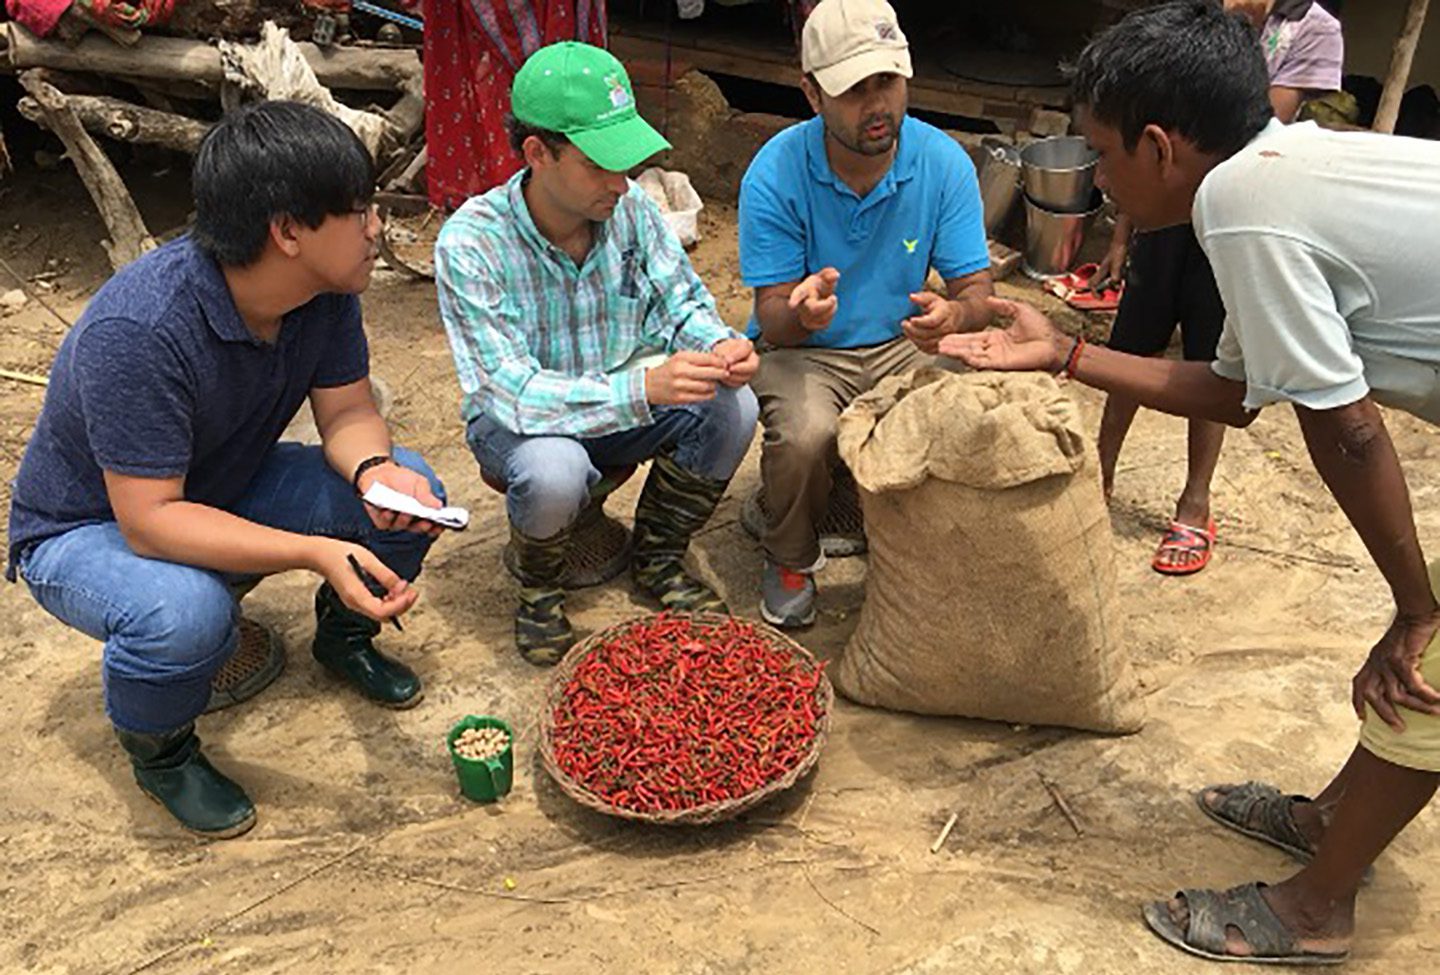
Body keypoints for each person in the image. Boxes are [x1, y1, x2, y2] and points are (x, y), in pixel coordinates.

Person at [942, 1, 1440, 963]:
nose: (1096, 176)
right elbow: (1235, 392)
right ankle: (1331, 818)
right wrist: (1063, 355)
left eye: (1101, 152)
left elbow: (1350, 432)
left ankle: (1314, 909)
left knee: (1428, 673)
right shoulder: (1274, 171)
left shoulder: (1246, 209)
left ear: (1161, 148)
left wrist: (1414, 606)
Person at [6, 101, 450, 839]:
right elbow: (150, 521)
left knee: (416, 489)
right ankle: (162, 751)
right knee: (183, 615)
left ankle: (344, 640)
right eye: (360, 209)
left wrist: (374, 469)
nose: (378, 228)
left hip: (219, 480)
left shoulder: (324, 290)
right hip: (90, 525)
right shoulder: (141, 330)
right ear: (288, 232)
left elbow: (346, 414)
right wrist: (313, 549)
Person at [436, 42, 760, 666]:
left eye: (626, 163)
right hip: (521, 428)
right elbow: (512, 392)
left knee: (733, 406)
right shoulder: (471, 243)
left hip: (622, 396)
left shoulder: (631, 209)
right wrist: (641, 390)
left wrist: (717, 345)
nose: (622, 182)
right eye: (599, 165)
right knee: (553, 470)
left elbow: (680, 302)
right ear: (537, 153)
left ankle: (658, 556)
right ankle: (539, 593)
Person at [740, 0, 993, 628]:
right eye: (852, 89)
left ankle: (923, 548)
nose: (876, 105)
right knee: (803, 434)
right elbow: (770, 319)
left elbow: (978, 292)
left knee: (967, 411)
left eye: (887, 81)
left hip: (901, 343)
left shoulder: (942, 163)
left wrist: (955, 316)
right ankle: (791, 556)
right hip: (804, 353)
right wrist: (804, 315)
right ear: (812, 94)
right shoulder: (774, 172)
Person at [1090, 0, 1344, 576]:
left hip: (1231, 212)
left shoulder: (1314, 30)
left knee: (1212, 359)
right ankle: (1098, 471)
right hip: (1166, 210)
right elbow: (1146, 143)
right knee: (1130, 344)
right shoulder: (1195, 17)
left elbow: (1244, 125)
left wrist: (1240, 32)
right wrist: (1123, 235)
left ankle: (1195, 500)